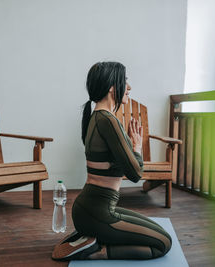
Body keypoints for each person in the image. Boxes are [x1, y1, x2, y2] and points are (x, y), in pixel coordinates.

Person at [52, 62, 172, 261]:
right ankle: (97, 251)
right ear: (111, 86)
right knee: (163, 243)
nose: (130, 88)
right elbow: (135, 174)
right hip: (98, 213)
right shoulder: (107, 120)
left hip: (91, 209)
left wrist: (131, 149)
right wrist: (137, 147)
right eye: (125, 82)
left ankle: (88, 237)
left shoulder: (96, 118)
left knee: (158, 230)